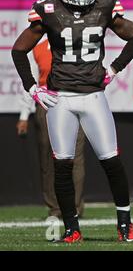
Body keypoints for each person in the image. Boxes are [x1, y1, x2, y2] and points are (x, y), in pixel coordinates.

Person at [12, 0, 133, 243]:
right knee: (62, 165)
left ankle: (125, 222)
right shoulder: (48, 11)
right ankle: (72, 228)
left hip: (93, 96)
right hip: (60, 99)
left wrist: (114, 68)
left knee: (111, 161)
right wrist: (32, 88)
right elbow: (19, 50)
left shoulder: (104, 6)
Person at [16, 38, 86, 218]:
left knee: (75, 158)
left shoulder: (77, 44)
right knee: (48, 157)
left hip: (73, 101)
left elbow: (89, 74)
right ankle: (55, 208)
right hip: (47, 105)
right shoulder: (37, 49)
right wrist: (25, 114)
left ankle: (75, 208)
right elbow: (30, 83)